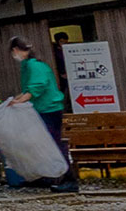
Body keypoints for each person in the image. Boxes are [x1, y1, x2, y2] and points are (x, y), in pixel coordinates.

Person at [10, 36, 76, 192]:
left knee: (54, 145)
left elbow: (36, 87)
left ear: (15, 50)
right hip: (43, 108)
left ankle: (69, 179)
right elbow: (29, 89)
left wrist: (21, 100)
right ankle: (46, 176)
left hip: (49, 109)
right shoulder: (29, 65)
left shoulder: (34, 66)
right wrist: (16, 99)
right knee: (41, 145)